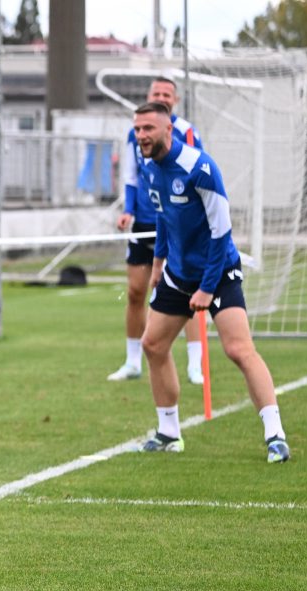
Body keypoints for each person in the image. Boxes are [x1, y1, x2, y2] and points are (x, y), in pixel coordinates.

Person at [133, 101, 289, 463]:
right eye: (138, 129)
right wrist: (158, 264)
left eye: (148, 129)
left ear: (168, 130)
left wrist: (206, 287)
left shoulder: (200, 168)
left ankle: (276, 436)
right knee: (153, 345)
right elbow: (163, 217)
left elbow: (222, 233)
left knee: (238, 349)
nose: (141, 135)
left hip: (218, 272)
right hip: (178, 273)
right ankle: (168, 432)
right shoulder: (148, 166)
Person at [111, 76, 205, 385]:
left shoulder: (187, 132)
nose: (162, 97)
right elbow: (131, 175)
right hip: (145, 224)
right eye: (156, 93)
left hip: (177, 225)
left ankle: (195, 364)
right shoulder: (133, 134)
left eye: (167, 93)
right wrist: (128, 210)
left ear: (175, 100)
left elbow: (195, 175)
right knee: (136, 291)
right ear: (148, 95)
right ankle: (132, 361)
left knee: (188, 292)